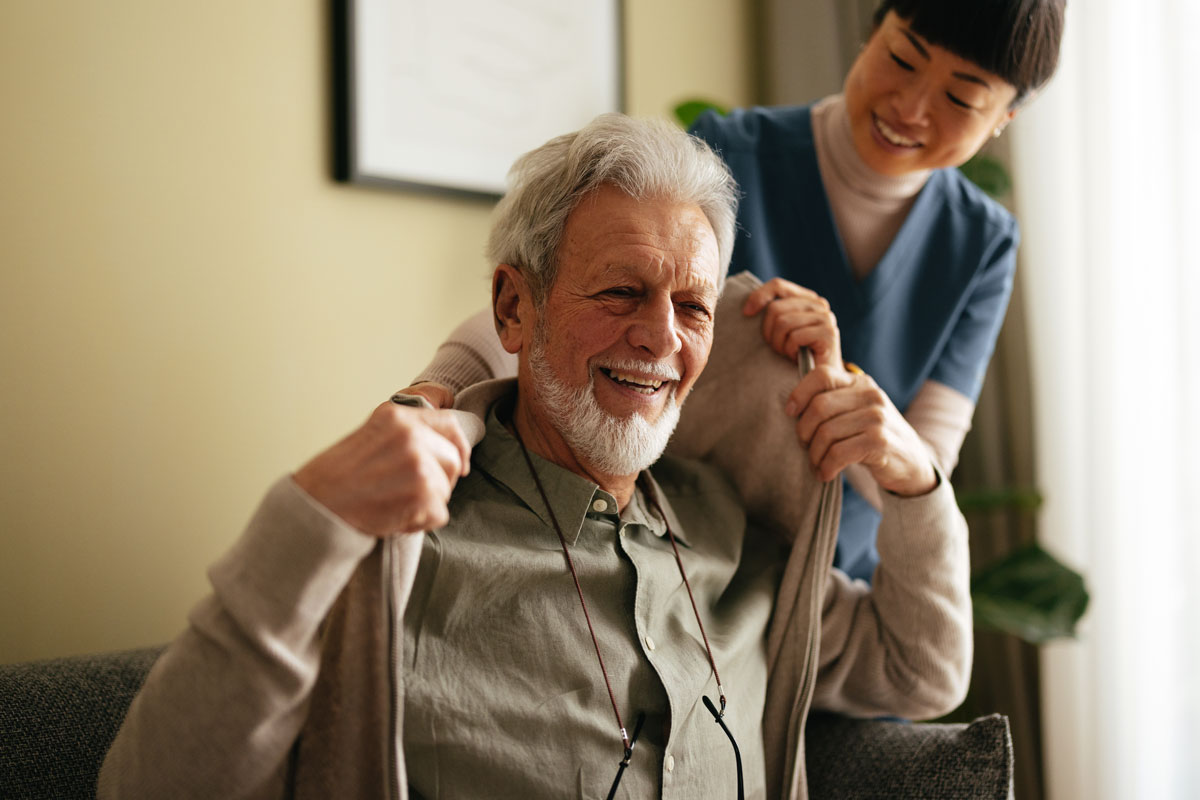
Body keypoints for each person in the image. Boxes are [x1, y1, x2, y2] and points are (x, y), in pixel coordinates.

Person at [98, 114, 970, 800]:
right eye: (622, 291)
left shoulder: (733, 530)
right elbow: (155, 787)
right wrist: (310, 515)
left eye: (692, 306)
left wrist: (912, 478)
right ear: (514, 310)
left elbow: (921, 669)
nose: (661, 337)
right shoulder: (402, 552)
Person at [403, 0, 1067, 583]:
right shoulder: (730, 157)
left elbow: (918, 473)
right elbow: (561, 309)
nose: (911, 106)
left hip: (834, 591)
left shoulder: (983, 245)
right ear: (873, 30)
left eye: (961, 99)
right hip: (683, 563)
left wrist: (836, 385)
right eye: (901, 57)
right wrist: (432, 392)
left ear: (1004, 116)